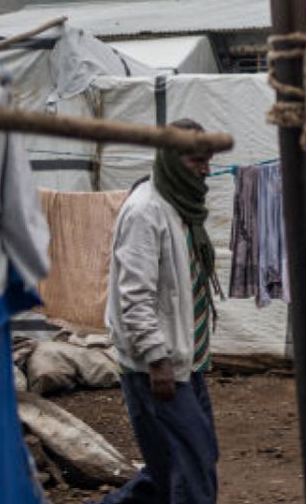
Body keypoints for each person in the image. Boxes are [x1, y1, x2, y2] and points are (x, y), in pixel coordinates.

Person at [102, 119, 222, 504]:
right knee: (193, 464)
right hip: (157, 365)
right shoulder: (145, 211)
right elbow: (133, 295)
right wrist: (157, 359)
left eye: (208, 160)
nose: (206, 169)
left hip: (185, 359)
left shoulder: (180, 204)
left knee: (172, 464)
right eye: (196, 161)